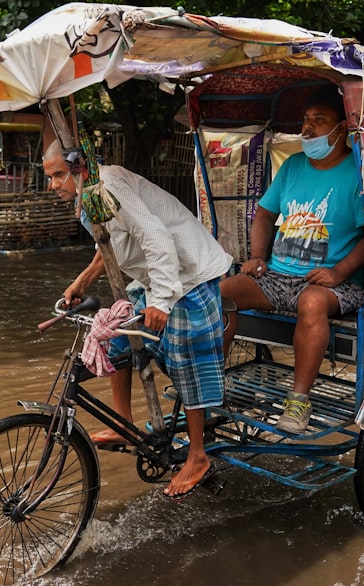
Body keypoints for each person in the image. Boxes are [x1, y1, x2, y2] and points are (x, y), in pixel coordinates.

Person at [43, 139, 233, 500]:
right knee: (115, 333)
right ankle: (123, 422)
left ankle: (197, 456)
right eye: (50, 177)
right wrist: (80, 283)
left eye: (58, 175)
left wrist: (160, 301)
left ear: (79, 168)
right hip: (156, 274)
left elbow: (155, 237)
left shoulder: (109, 185)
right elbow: (109, 245)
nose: (53, 184)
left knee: (184, 356)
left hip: (191, 273)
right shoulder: (89, 192)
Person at [219, 85, 364, 434]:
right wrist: (257, 257)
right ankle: (213, 380)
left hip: (335, 282)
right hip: (277, 275)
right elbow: (265, 214)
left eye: (319, 121)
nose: (308, 128)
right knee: (220, 292)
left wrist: (338, 271)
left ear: (341, 128)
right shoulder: (294, 166)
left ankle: (298, 401)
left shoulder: (358, 172)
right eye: (305, 120)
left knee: (313, 303)